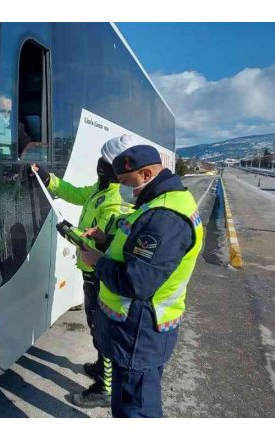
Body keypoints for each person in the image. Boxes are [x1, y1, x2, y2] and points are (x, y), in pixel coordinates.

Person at [78, 144, 204, 418]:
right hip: (137, 329)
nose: (122, 188)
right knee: (127, 402)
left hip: (140, 331)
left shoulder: (164, 217)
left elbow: (138, 283)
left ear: (146, 174)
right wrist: (106, 240)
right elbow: (139, 251)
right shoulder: (158, 202)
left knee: (136, 409)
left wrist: (97, 262)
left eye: (124, 181)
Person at [29, 134, 136, 408]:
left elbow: (103, 240)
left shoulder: (116, 201)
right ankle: (103, 369)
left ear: (118, 169)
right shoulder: (100, 190)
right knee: (96, 325)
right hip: (91, 273)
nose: (99, 164)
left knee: (103, 331)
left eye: (105, 162)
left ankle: (105, 388)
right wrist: (47, 177)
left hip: (100, 273)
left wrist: (71, 233)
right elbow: (74, 193)